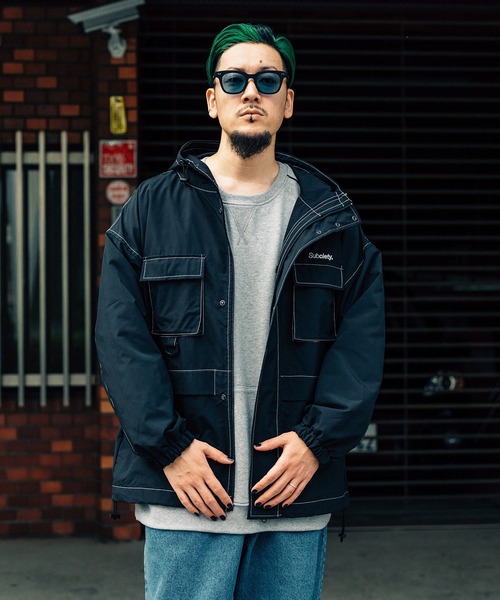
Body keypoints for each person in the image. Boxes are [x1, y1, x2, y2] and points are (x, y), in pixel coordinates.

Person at [95, 22, 385, 600]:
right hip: (188, 492)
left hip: (292, 493)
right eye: (234, 80)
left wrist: (317, 441)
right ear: (213, 100)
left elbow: (360, 345)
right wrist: (169, 447)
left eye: (268, 80)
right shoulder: (152, 208)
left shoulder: (331, 216)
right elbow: (121, 340)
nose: (251, 91)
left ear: (288, 101)